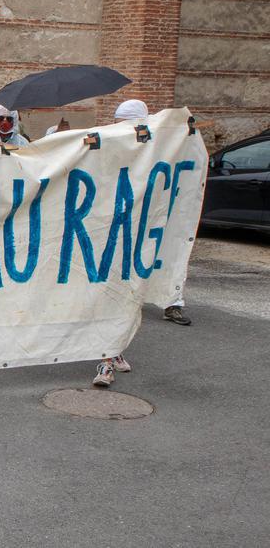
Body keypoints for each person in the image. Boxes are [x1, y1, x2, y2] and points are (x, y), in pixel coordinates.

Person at [93, 98, 190, 388]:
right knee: (107, 296)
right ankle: (107, 358)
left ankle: (114, 352)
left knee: (127, 297)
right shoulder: (109, 146)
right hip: (107, 236)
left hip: (136, 239)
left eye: (130, 123)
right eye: (119, 122)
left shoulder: (156, 150)